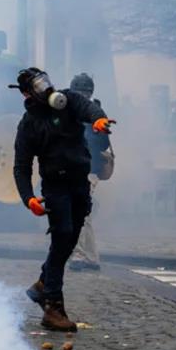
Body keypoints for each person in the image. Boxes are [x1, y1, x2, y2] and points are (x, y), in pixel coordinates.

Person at [11, 67, 114, 332]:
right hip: (55, 186)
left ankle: (43, 284)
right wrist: (29, 198)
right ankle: (52, 308)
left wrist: (99, 120)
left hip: (79, 182)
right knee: (62, 236)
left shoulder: (67, 101)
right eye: (37, 85)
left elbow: (88, 109)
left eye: (45, 81)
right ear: (26, 93)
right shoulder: (29, 124)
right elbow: (21, 166)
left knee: (70, 237)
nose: (44, 87)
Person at [68, 73, 113, 272]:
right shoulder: (96, 111)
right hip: (82, 168)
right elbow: (104, 142)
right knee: (83, 214)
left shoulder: (84, 112)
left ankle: (78, 256)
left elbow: (103, 142)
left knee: (78, 213)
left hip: (86, 168)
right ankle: (92, 257)